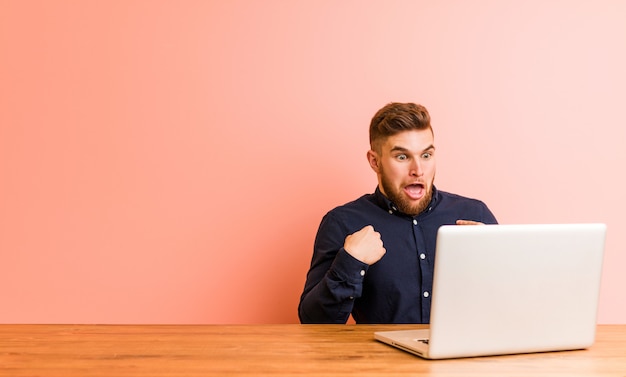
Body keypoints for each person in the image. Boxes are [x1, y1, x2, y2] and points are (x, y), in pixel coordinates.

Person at [298, 102, 498, 324]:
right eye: (402, 157)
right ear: (375, 161)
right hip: (383, 359)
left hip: (464, 358)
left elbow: (513, 308)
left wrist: (494, 260)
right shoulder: (343, 222)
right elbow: (313, 323)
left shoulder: (475, 214)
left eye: (426, 155)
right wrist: (350, 261)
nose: (418, 170)